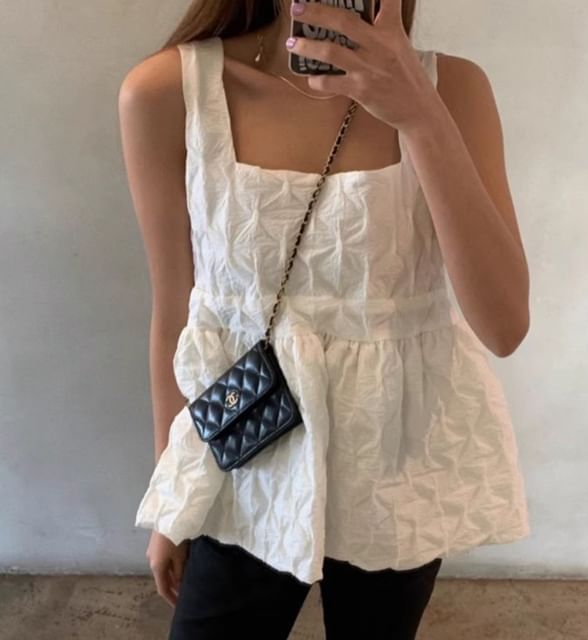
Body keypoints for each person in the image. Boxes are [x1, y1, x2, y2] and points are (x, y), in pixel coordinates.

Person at [118, 0, 531, 637]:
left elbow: (504, 326)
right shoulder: (170, 89)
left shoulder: (453, 91)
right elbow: (176, 307)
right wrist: (172, 498)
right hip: (242, 454)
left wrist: (420, 115)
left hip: (398, 462)